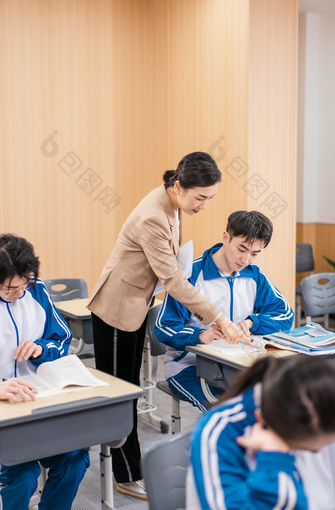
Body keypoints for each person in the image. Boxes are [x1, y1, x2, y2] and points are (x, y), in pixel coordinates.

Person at [88, 152, 250, 500]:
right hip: (117, 308)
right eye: (201, 198)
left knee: (128, 390)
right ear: (179, 186)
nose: (204, 206)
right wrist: (219, 317)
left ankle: (126, 465)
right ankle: (124, 473)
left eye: (211, 199)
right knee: (121, 394)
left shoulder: (172, 201)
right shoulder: (153, 216)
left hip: (135, 303)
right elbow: (173, 280)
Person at [155, 210, 294, 411]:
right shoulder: (191, 275)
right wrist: (200, 335)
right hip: (189, 366)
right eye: (242, 249)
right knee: (224, 411)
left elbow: (285, 315)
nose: (246, 260)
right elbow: (164, 327)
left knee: (277, 401)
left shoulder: (254, 275)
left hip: (236, 364)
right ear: (225, 238)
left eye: (255, 253)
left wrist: (251, 322)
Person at [0, 233, 90, 510]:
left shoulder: (35, 290)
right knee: (22, 475)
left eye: (25, 284)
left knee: (74, 458)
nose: (19, 294)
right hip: (2, 407)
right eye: (10, 288)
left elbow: (60, 339)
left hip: (40, 397)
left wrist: (40, 348)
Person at [186, 355, 335, 510]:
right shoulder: (220, 431)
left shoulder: (322, 411)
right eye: (307, 448)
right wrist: (274, 459)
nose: (318, 451)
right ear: (263, 420)